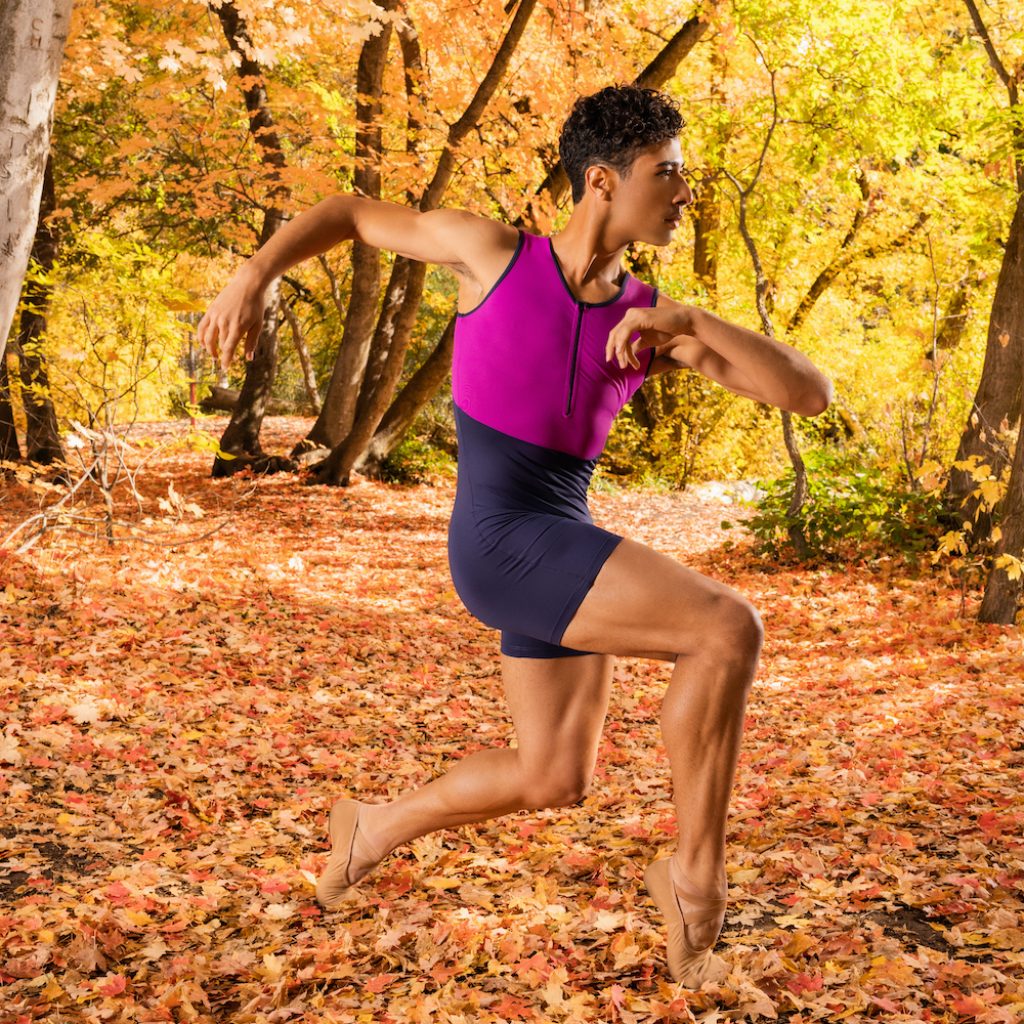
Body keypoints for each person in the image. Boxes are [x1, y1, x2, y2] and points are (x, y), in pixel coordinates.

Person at [198, 84, 832, 987]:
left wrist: (691, 321)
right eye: (670, 173)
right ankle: (697, 879)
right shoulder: (488, 254)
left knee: (551, 776)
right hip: (501, 540)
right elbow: (346, 212)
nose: (686, 193)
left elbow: (807, 395)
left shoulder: (650, 322)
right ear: (604, 179)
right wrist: (251, 273)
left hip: (558, 537)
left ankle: (370, 827)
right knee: (726, 628)